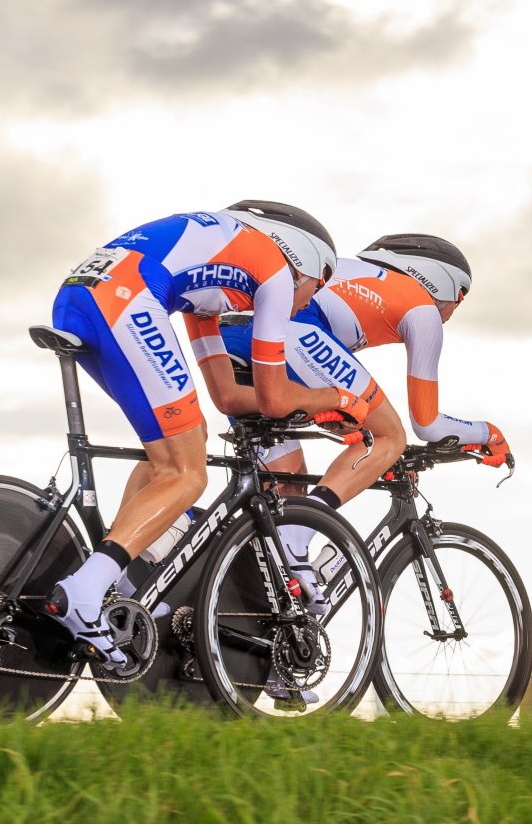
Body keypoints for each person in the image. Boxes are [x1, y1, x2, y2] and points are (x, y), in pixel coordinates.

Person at [45, 200, 358, 688]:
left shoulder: (213, 284)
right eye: (316, 288)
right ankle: (86, 589)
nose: (305, 305)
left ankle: (120, 585)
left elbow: (227, 394)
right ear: (303, 263)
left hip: (81, 295)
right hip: (127, 300)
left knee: (167, 454)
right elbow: (273, 398)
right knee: (188, 473)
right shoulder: (275, 271)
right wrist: (337, 397)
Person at [219, 233, 506, 606]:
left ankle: (206, 559)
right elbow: (428, 424)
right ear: (439, 279)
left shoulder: (356, 278)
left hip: (229, 334)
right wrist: (485, 433)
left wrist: (358, 430)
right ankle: (300, 538)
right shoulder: (420, 306)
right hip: (294, 330)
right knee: (391, 436)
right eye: (460, 297)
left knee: (286, 485)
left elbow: (329, 394)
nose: (453, 312)